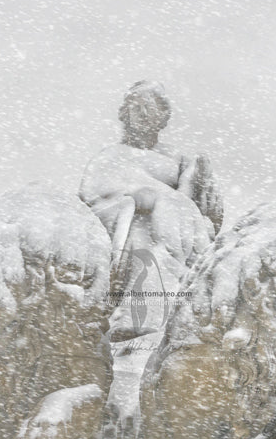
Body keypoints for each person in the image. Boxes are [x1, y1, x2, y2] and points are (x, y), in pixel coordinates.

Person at [79, 81, 222, 340]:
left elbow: (196, 207)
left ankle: (166, 312)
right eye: (137, 107)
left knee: (161, 244)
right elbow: (92, 196)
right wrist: (141, 199)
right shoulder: (112, 155)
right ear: (126, 114)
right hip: (132, 225)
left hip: (173, 231)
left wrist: (192, 180)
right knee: (142, 239)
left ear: (163, 116)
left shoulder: (179, 158)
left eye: (150, 108)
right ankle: (137, 316)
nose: (143, 114)